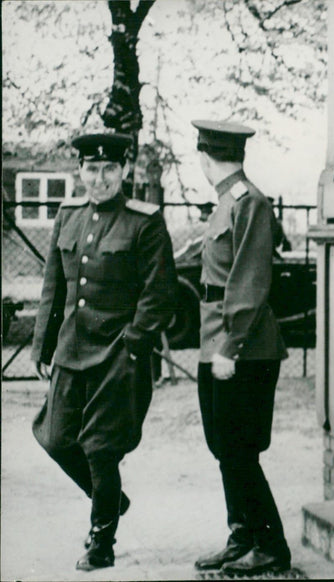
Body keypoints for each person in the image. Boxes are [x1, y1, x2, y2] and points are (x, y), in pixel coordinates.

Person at [30, 133, 178, 571]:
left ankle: (101, 541)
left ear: (125, 171)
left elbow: (159, 294)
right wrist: (43, 344)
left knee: (100, 448)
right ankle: (111, 499)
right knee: (56, 438)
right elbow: (53, 287)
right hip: (72, 349)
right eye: (91, 170)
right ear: (80, 172)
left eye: (109, 169)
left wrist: (134, 345)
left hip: (116, 354)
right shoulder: (68, 216)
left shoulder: (145, 222)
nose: (99, 178)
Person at [190, 119, 291, 576]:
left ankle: (270, 544)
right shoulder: (227, 203)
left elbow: (249, 282)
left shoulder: (249, 203)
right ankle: (242, 535)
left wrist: (229, 347)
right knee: (223, 445)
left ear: (204, 158)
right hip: (218, 342)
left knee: (238, 447)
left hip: (244, 348)